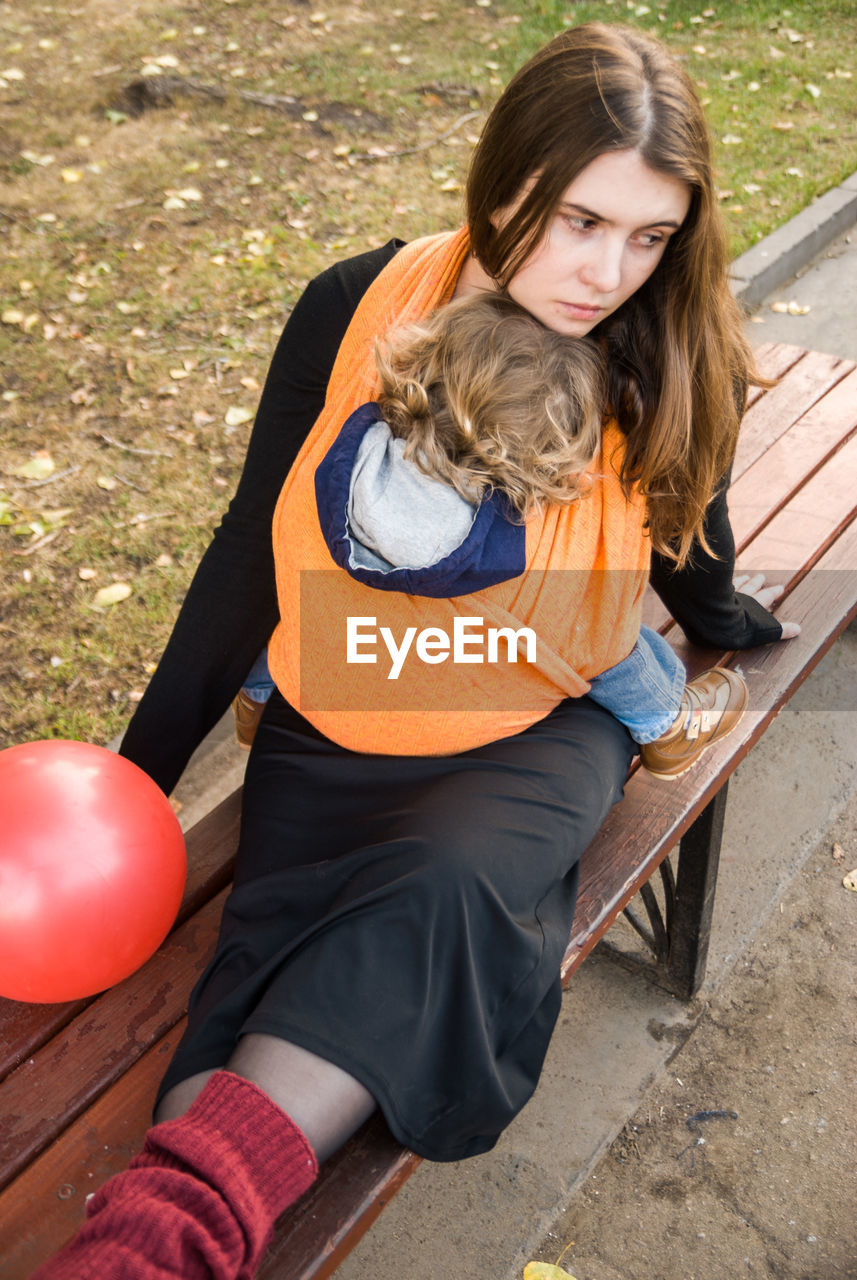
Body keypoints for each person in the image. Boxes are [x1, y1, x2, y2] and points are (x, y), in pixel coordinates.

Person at [33, 21, 798, 1280]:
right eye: (578, 220)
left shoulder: (662, 332)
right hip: (344, 703)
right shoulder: (358, 302)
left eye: (648, 234)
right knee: (263, 977)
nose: (608, 270)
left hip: (537, 727)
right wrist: (140, 780)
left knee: (443, 887)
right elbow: (247, 551)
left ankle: (172, 1228)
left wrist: (725, 620)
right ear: (502, 181)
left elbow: (681, 518)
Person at [234, 290, 746, 779]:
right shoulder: (517, 562)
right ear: (543, 457)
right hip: (446, 726)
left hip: (320, 678)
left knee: (306, 605)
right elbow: (597, 642)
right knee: (607, 641)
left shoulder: (352, 454)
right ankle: (669, 726)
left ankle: (255, 697)